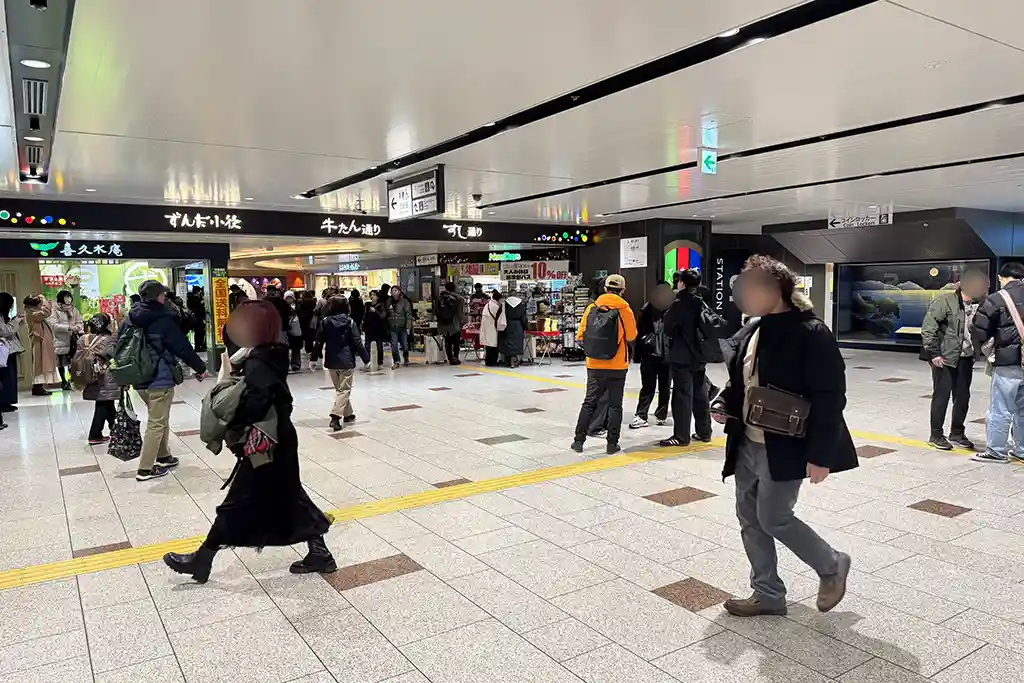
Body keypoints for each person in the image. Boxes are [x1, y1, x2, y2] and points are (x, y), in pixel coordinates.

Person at [710, 255, 854, 618]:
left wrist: (821, 454)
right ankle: (768, 593)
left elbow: (830, 396)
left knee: (774, 516)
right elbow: (740, 382)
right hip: (746, 441)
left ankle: (832, 563)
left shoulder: (811, 332)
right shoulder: (752, 329)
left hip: (785, 443)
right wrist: (723, 401)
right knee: (749, 516)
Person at [163, 300, 336, 583]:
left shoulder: (260, 361)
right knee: (289, 496)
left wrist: (235, 418)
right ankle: (319, 552)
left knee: (240, 499)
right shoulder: (269, 354)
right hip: (279, 438)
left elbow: (257, 401)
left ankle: (202, 559)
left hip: (266, 443)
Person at [122, 280, 208, 481]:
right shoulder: (163, 318)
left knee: (159, 418)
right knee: (156, 422)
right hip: (159, 377)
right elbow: (182, 347)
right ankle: (145, 468)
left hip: (138, 377)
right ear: (160, 297)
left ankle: (163, 455)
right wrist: (200, 368)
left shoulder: (130, 318)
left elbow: (120, 346)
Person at [920, 270, 989, 451]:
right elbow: (928, 328)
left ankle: (957, 433)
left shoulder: (980, 304)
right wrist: (934, 353)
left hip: (966, 358)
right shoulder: (945, 301)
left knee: (963, 397)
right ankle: (936, 435)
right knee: (941, 397)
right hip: (945, 357)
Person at [571, 274, 638, 455]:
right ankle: (611, 444)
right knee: (615, 405)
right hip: (617, 366)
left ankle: (578, 441)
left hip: (594, 364)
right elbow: (632, 336)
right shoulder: (625, 310)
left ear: (605, 288)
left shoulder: (592, 307)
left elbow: (580, 336)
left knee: (589, 402)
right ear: (623, 290)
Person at [972, 261, 1024, 463]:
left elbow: (979, 330)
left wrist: (989, 348)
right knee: (1022, 409)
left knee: (1001, 407)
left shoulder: (996, 299)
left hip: (1008, 363)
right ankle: (1021, 450)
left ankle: (997, 451)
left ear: (1003, 278)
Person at [660, 269, 719, 447]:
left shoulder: (679, 303)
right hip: (699, 356)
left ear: (682, 283)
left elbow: (668, 328)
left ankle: (681, 436)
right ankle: (704, 431)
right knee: (700, 394)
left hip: (682, 356)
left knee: (682, 396)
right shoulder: (701, 301)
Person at [316, 296, 370, 431]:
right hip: (346, 360)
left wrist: (312, 358)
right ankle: (335, 417)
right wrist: (366, 359)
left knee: (340, 389)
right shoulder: (349, 322)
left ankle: (348, 414)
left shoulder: (325, 322)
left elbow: (319, 341)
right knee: (344, 389)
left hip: (331, 361)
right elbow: (357, 342)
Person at [630, 280, 674, 429]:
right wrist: (637, 355)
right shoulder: (647, 309)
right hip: (652, 354)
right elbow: (639, 332)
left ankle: (659, 414)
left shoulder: (674, 309)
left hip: (664, 354)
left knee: (662, 387)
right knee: (651, 386)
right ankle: (643, 415)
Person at [76, 313, 119, 445]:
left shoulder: (83, 339)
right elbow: (115, 355)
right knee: (103, 403)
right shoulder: (110, 339)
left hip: (89, 375)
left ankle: (115, 430)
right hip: (106, 376)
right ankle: (95, 434)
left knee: (106, 403)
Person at [49, 290, 84, 392]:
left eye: (70, 301)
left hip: (74, 340)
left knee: (74, 362)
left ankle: (73, 380)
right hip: (61, 340)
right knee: (61, 362)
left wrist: (77, 327)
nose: (68, 305)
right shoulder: (54, 311)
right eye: (66, 302)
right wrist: (68, 328)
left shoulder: (74, 310)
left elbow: (80, 321)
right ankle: (63, 381)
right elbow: (53, 325)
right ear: (60, 301)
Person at [23, 295, 58, 396]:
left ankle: (39, 387)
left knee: (42, 363)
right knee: (40, 364)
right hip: (39, 342)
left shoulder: (32, 313)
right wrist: (45, 300)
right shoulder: (32, 313)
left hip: (41, 341)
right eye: (40, 304)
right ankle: (37, 387)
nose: (41, 305)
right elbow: (46, 312)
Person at [0, 292, 25, 417]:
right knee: (6, 377)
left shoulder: (4, 316)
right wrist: (16, 321)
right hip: (4, 351)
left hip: (9, 350)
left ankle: (8, 401)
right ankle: (3, 402)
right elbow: (4, 331)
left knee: (11, 377)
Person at [436, 282, 465, 365]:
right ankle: (455, 357)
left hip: (443, 325)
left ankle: (450, 358)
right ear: (454, 288)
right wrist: (461, 321)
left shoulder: (440, 298)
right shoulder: (457, 298)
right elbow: (460, 311)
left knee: (447, 342)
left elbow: (436, 311)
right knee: (456, 342)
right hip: (454, 324)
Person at [386, 286, 413, 368]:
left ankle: (406, 358)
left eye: (395, 291)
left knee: (404, 345)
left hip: (402, 327)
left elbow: (408, 315)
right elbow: (386, 313)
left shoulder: (405, 302)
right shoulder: (389, 302)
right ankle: (396, 361)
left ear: (399, 292)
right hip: (393, 327)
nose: (393, 292)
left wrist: (408, 327)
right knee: (394, 345)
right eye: (392, 291)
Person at [500, 292, 528, 367]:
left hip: (507, 325)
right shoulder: (521, 304)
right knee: (516, 343)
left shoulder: (504, 304)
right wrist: (526, 327)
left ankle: (508, 359)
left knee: (507, 342)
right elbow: (524, 318)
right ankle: (514, 359)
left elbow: (500, 315)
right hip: (518, 326)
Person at [362, 290, 387, 371]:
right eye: (371, 295)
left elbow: (382, 317)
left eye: (374, 295)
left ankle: (380, 362)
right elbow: (364, 317)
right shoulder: (367, 305)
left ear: (377, 296)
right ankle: (367, 363)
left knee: (379, 347)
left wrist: (375, 311)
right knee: (367, 347)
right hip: (368, 329)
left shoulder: (381, 305)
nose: (372, 297)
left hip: (378, 329)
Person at [480, 290, 506, 367]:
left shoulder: (487, 305)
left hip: (486, 328)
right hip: (492, 328)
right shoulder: (496, 306)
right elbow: (500, 319)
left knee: (488, 346)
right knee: (494, 346)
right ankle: (493, 362)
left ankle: (488, 361)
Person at [187, 286, 208, 352]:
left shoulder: (189, 298)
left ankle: (198, 346)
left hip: (195, 318)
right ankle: (198, 347)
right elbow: (199, 307)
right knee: (200, 333)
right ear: (198, 291)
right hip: (198, 318)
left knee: (198, 333)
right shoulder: (196, 299)